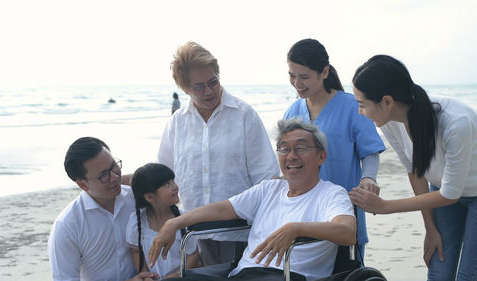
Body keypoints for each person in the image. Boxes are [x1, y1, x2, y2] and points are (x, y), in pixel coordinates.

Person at [148, 119, 356, 281]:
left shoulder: (331, 194)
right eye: (284, 149)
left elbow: (347, 233)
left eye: (301, 148)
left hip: (288, 276)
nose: (291, 156)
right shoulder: (269, 188)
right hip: (243, 274)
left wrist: (295, 228)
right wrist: (175, 222)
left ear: (321, 157)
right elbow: (221, 209)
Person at [349, 54, 477, 281]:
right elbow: (415, 170)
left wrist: (385, 206)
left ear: (387, 101)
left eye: (362, 105)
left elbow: (450, 194)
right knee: (439, 271)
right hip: (442, 191)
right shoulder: (390, 120)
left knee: (469, 277)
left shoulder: (456, 123)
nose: (360, 112)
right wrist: (430, 228)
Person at [154, 41, 280, 265]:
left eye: (213, 82)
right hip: (192, 235)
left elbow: (266, 178)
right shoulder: (177, 122)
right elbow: (164, 176)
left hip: (239, 231)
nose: (209, 91)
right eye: (199, 86)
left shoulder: (244, 115)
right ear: (184, 88)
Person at [283, 38, 385, 260]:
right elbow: (286, 161)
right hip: (304, 212)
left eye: (304, 76)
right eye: (292, 75)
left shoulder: (351, 107)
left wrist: (369, 179)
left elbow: (370, 152)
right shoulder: (293, 111)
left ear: (324, 72)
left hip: (342, 213)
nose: (297, 82)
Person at [47, 137, 159, 281]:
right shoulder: (67, 226)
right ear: (83, 185)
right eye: (103, 175)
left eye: (114, 165)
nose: (114, 177)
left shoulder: (136, 198)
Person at [127, 163, 200, 278]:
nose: (175, 186)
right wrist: (146, 275)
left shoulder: (183, 219)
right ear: (150, 197)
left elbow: (193, 254)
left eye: (173, 181)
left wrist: (175, 277)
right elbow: (136, 251)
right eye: (167, 184)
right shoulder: (136, 222)